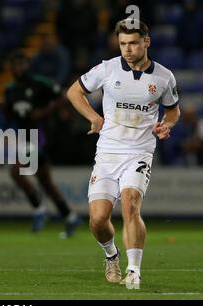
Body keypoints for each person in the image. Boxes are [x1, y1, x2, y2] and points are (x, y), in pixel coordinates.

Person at [66, 19, 181, 289]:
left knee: (131, 204)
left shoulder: (164, 77)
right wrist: (94, 118)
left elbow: (173, 111)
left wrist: (167, 125)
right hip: (108, 152)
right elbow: (74, 92)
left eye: (132, 43)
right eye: (122, 44)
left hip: (139, 151)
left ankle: (133, 270)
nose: (127, 50)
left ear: (146, 42)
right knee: (97, 219)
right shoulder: (107, 69)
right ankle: (111, 256)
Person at [0, 50, 81, 237]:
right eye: (15, 65)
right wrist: (3, 111)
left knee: (16, 171)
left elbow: (62, 97)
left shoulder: (39, 83)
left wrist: (44, 112)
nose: (19, 68)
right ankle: (69, 216)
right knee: (45, 182)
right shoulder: (10, 90)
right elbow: (14, 115)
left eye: (22, 64)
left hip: (41, 136)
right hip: (24, 137)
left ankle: (38, 208)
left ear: (28, 65)